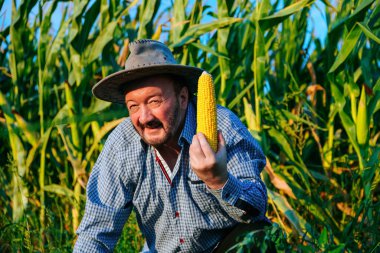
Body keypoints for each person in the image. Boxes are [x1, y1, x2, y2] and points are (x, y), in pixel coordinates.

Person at [74, 39, 270, 252]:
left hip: (227, 246)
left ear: (183, 98)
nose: (144, 117)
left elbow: (256, 211)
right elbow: (95, 235)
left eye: (154, 102)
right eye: (133, 107)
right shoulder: (122, 145)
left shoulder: (223, 125)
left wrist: (218, 180)